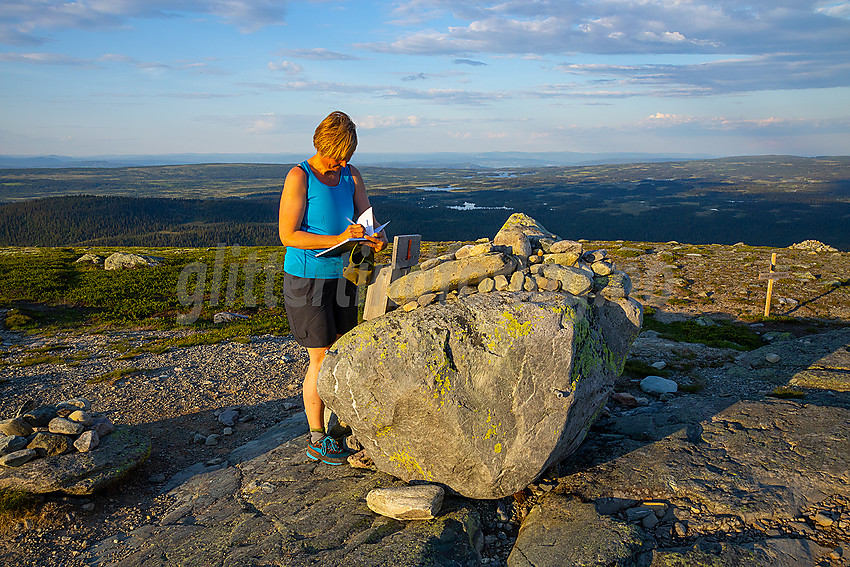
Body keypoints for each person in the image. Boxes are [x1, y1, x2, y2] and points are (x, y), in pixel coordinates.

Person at [278, 111, 387, 465]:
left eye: (346, 156)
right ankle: (316, 436)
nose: (340, 163)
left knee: (343, 351)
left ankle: (340, 423)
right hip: (306, 278)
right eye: (336, 155)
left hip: (344, 275)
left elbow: (364, 216)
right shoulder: (300, 177)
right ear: (320, 145)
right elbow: (287, 235)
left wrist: (374, 237)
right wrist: (339, 237)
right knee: (321, 357)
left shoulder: (350, 174)